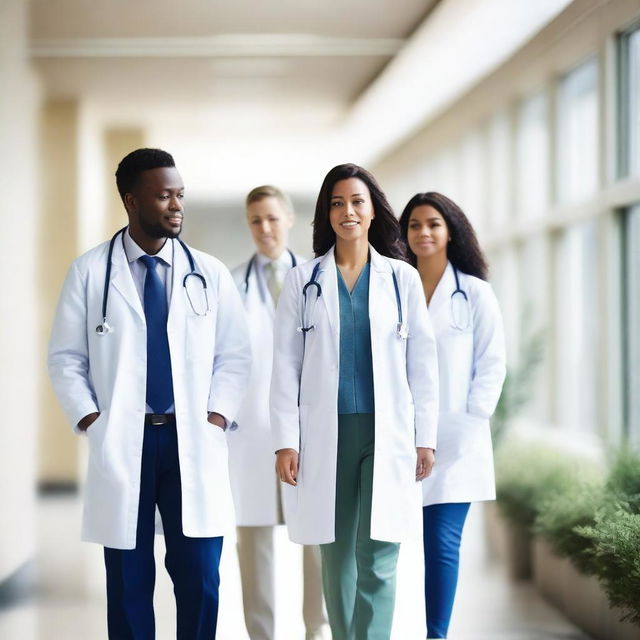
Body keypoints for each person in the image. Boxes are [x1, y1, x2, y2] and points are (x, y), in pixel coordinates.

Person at [48, 148, 251, 640]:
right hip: (125, 440)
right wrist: (95, 422)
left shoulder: (210, 273)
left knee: (201, 578)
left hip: (191, 441)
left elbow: (236, 357)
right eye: (164, 196)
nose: (176, 205)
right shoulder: (90, 272)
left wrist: (216, 418)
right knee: (128, 581)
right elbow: (66, 360)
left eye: (180, 195)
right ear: (131, 200)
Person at [270, 163, 439, 640]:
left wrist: (425, 437)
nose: (348, 211)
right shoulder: (304, 281)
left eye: (357, 202)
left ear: (371, 212)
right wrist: (285, 441)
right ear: (327, 213)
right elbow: (285, 366)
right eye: (338, 202)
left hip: (389, 433)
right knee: (337, 554)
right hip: (326, 434)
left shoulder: (401, 279)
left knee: (380, 552)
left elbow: (423, 366)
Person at [399, 192, 506, 639]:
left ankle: (436, 634)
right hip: (399, 436)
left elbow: (492, 363)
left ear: (450, 231)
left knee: (441, 544)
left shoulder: (475, 293)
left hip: (456, 441)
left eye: (433, 224)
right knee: (388, 544)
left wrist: (468, 422)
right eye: (415, 225)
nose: (424, 233)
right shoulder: (394, 287)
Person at [228, 185, 328, 640]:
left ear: (289, 219)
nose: (264, 228)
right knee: (254, 543)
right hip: (249, 432)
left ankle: (317, 629)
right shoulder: (229, 285)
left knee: (317, 538)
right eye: (255, 220)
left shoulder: (316, 280)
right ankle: (261, 634)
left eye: (271, 218)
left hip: (307, 429)